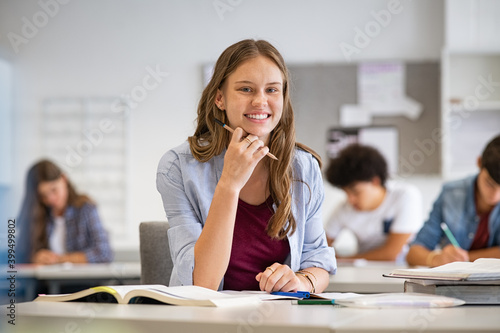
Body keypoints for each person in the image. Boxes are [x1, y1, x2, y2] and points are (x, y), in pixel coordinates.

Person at [156, 39, 336, 293]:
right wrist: (229, 184)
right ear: (220, 98)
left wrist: (301, 281)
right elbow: (201, 283)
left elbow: (318, 261)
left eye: (272, 90)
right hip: (207, 319)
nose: (260, 101)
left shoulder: (303, 167)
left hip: (280, 317)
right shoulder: (178, 167)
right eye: (246, 89)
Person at [407, 135, 500, 267]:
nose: (496, 195)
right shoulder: (450, 194)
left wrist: (465, 258)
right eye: (489, 184)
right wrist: (436, 259)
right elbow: (414, 253)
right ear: (479, 163)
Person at [324, 144, 423, 262]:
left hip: (401, 271)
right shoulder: (344, 208)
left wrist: (343, 259)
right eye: (346, 193)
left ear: (375, 181)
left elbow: (391, 254)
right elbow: (320, 245)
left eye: (355, 192)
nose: (351, 199)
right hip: (364, 272)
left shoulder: (404, 196)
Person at [17, 159, 113, 264]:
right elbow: (18, 255)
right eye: (43, 196)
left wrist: (59, 259)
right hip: (46, 279)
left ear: (64, 179)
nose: (51, 199)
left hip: (82, 280)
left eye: (54, 190)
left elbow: (104, 253)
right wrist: (34, 258)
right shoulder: (38, 213)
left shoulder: (86, 209)